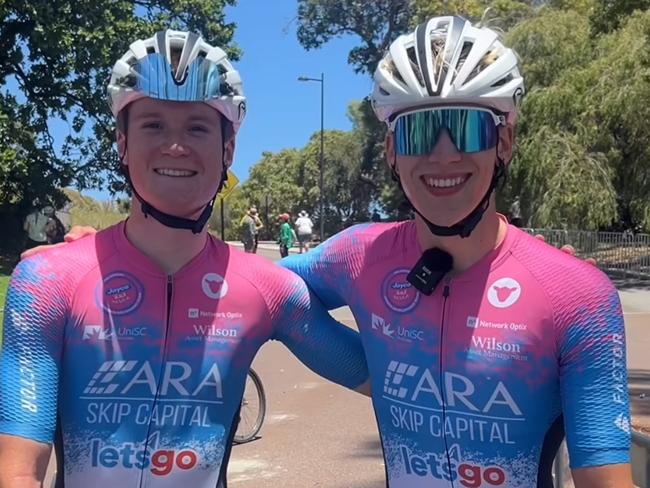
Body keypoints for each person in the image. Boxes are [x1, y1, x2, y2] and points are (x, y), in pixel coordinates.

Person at [0, 29, 369, 488]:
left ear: (228, 150)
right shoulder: (47, 280)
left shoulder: (267, 289)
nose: (175, 145)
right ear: (122, 143)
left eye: (196, 127)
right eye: (153, 124)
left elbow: (402, 385)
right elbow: (16, 470)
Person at [279, 16, 632, 488]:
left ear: (502, 143)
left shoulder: (578, 295)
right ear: (391, 150)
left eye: (465, 129)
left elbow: (604, 480)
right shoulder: (360, 255)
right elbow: (263, 294)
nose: (443, 155)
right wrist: (372, 375)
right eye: (419, 133)